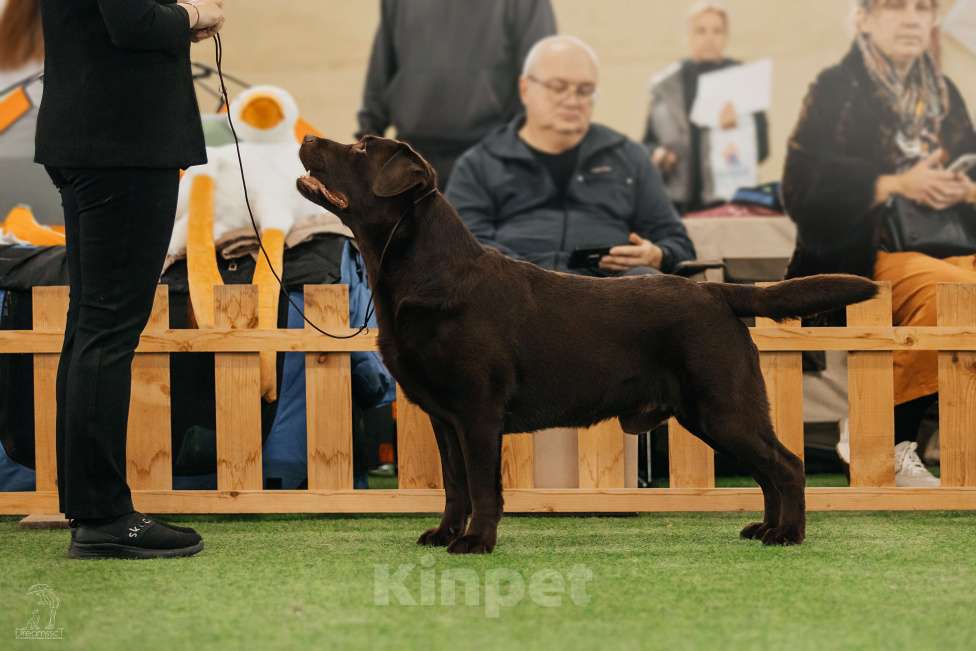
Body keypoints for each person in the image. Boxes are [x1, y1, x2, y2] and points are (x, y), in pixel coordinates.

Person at [36, 0, 226, 559]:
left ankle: (88, 505)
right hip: (121, 143)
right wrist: (191, 13)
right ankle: (103, 516)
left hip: (93, 137)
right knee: (108, 330)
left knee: (91, 326)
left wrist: (173, 23)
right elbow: (132, 21)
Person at [783, 0, 976, 486]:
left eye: (923, 7)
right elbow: (802, 192)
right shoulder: (835, 89)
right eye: (895, 6)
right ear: (864, 19)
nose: (911, 18)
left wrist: (965, 189)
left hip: (952, 244)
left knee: (955, 282)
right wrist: (892, 184)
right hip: (867, 252)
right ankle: (882, 435)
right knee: (950, 292)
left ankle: (950, 445)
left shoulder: (945, 94)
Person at [446, 35, 695, 277]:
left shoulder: (630, 157)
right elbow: (461, 246)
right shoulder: (479, 164)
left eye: (585, 90)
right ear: (524, 89)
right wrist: (526, 275)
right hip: (515, 292)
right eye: (558, 87)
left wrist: (658, 255)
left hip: (611, 295)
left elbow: (679, 244)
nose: (572, 101)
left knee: (650, 284)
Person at [356, 0, 556, 189]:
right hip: (413, 160)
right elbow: (382, 66)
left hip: (492, 161)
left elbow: (542, 73)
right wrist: (367, 146)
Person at [642, 1, 770, 214]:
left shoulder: (745, 82)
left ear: (726, 36)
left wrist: (736, 132)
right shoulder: (665, 86)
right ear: (688, 35)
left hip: (727, 202)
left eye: (717, 30)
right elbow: (647, 144)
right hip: (676, 203)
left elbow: (763, 150)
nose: (709, 37)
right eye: (701, 30)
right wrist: (658, 155)